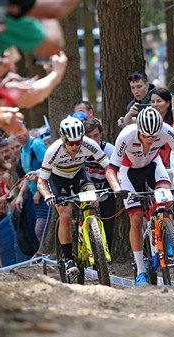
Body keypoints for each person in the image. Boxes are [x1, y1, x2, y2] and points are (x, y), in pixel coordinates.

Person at [106, 108, 174, 286]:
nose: (150, 140)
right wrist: (117, 188)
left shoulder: (166, 130)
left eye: (154, 137)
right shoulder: (126, 135)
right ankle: (141, 270)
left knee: (166, 199)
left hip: (153, 166)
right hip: (129, 173)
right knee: (136, 219)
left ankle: (167, 236)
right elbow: (111, 169)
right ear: (138, 130)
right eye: (146, 136)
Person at [37, 116, 109, 283]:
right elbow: (42, 180)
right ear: (63, 139)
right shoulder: (53, 151)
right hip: (58, 179)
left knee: (92, 200)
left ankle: (94, 240)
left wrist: (116, 184)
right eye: (71, 143)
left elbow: (109, 166)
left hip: (79, 175)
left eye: (78, 142)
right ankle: (69, 258)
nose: (76, 146)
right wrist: (48, 196)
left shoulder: (89, 145)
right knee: (66, 215)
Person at [83, 118, 116, 253]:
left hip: (105, 191)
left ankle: (104, 257)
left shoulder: (109, 150)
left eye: (96, 136)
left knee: (108, 227)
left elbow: (116, 172)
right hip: (85, 189)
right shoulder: (78, 151)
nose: (93, 140)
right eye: (88, 137)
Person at [16, 125, 49, 244]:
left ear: (28, 130)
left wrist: (39, 192)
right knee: (37, 231)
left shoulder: (36, 145)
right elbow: (27, 176)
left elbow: (47, 168)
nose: (20, 135)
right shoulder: (22, 149)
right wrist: (20, 195)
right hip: (34, 196)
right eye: (16, 132)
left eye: (22, 130)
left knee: (41, 229)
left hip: (45, 193)